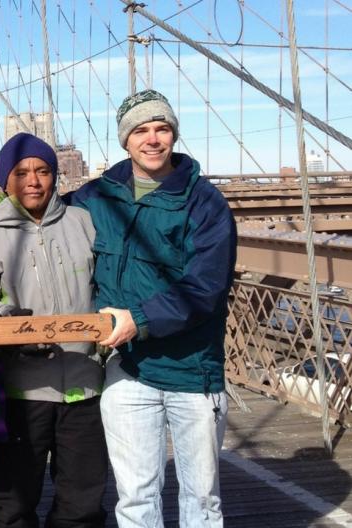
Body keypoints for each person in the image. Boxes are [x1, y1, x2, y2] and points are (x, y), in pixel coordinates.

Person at [69, 89, 237, 527]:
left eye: (162, 128)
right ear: (125, 140)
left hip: (193, 373)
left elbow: (205, 287)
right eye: (141, 130)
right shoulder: (92, 198)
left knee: (202, 500)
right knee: (136, 498)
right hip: (128, 371)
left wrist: (137, 320)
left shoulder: (206, 202)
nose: (153, 139)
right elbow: (40, 225)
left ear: (174, 135)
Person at [0, 133, 107, 528]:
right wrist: (7, 323)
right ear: (6, 181)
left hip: (85, 382)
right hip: (21, 390)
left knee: (84, 504)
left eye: (43, 171)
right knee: (13, 504)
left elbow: (111, 284)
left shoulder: (84, 224)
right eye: (21, 172)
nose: (34, 181)